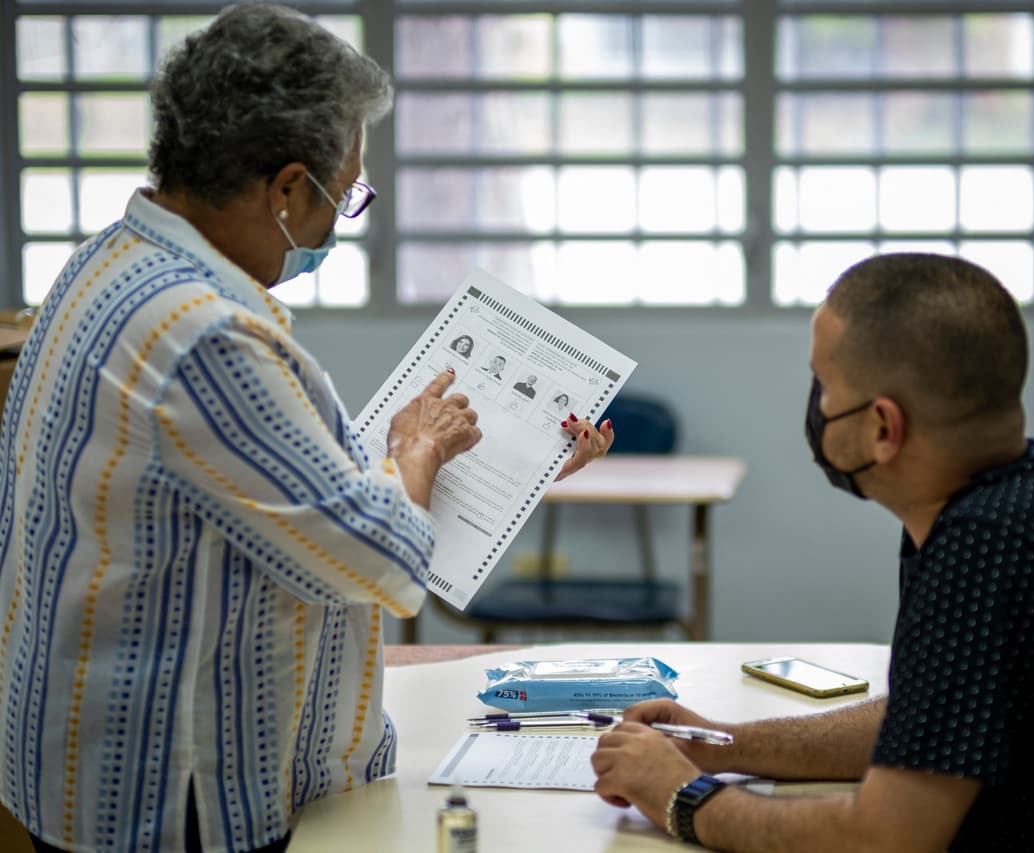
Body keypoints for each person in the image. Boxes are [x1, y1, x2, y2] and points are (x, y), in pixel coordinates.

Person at [0, 6, 614, 853]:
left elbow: (267, 494)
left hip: (92, 769)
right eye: (344, 192)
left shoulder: (107, 262)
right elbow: (380, 559)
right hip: (171, 803)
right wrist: (416, 450)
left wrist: (509, 461)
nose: (337, 220)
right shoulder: (204, 334)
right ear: (288, 187)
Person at [591, 253, 1034, 852]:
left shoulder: (985, 546)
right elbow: (930, 724)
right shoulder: (1027, 499)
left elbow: (887, 836)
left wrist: (682, 798)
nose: (816, 406)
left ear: (883, 426)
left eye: (823, 385)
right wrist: (723, 743)